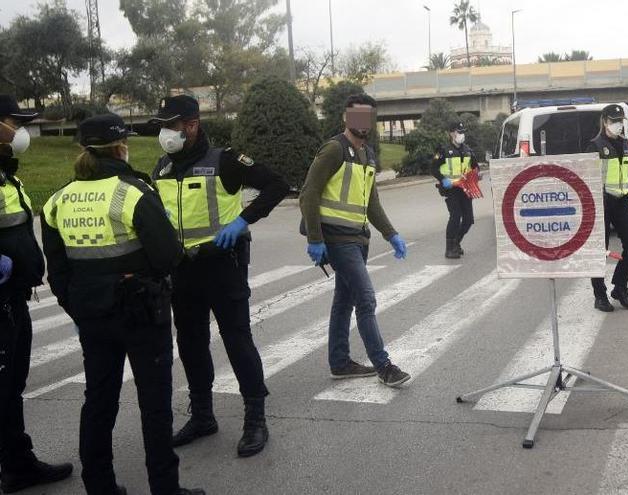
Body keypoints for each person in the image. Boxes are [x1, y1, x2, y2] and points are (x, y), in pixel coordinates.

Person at [41, 114, 203, 495]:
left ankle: (100, 486)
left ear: (84, 149)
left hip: (92, 315)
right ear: (120, 147)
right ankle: (165, 488)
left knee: (98, 401)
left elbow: (58, 271)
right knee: (155, 404)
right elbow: (168, 255)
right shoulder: (133, 192)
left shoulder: (58, 199)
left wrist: (79, 306)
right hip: (142, 313)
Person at [149, 95, 287, 457]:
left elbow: (276, 185)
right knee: (191, 344)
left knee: (237, 340)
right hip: (182, 269)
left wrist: (243, 220)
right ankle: (203, 416)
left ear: (193, 125)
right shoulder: (161, 168)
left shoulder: (225, 160)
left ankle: (255, 419)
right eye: (163, 127)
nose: (166, 133)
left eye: (173, 126)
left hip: (222, 264)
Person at [299, 93, 411, 387]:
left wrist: (391, 233)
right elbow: (309, 192)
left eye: (368, 117)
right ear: (346, 119)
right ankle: (384, 365)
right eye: (357, 116)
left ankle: (339, 362)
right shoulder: (334, 150)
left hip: (359, 239)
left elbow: (371, 201)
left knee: (344, 301)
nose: (363, 123)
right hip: (337, 240)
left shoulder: (368, 154)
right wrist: (314, 238)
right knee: (365, 298)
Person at [0, 95, 73, 494]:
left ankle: (15, 461)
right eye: (15, 122)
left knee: (11, 386)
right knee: (6, 387)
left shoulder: (6, 174)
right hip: (1, 303)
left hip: (12, 298)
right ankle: (16, 465)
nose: (21, 131)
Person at [588, 104, 628, 312]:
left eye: (620, 121)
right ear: (604, 122)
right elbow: (587, 178)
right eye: (614, 121)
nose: (618, 125)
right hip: (602, 203)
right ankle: (600, 295)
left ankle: (620, 287)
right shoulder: (594, 146)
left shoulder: (624, 144)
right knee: (598, 252)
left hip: (621, 201)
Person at [431, 122, 479, 259]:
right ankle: (449, 249)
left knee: (468, 219)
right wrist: (442, 179)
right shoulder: (443, 150)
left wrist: (476, 175)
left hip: (465, 188)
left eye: (463, 132)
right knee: (455, 216)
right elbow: (433, 168)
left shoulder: (468, 150)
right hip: (451, 189)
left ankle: (456, 242)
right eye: (459, 132)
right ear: (451, 133)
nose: (462, 135)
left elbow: (475, 166)